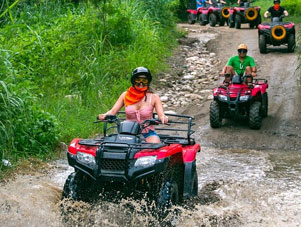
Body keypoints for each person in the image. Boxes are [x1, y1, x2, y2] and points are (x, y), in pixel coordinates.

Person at [98, 67, 168, 143]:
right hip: (127, 133)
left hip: (148, 133)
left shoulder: (154, 97)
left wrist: (163, 118)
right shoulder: (125, 95)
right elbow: (112, 112)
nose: (141, 83)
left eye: (144, 80)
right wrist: (104, 115)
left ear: (148, 81)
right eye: (138, 80)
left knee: (154, 146)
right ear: (133, 80)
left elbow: (161, 114)